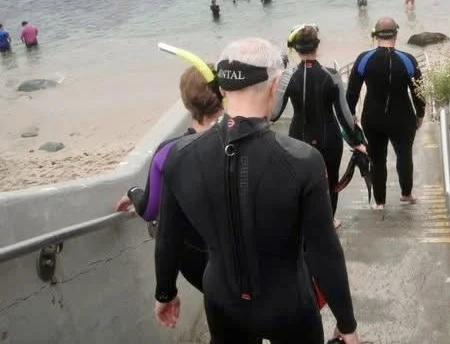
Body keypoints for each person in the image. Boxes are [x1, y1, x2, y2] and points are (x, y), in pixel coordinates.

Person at [153, 37, 360, 344]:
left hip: (222, 302)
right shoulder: (302, 161)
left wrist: (165, 292)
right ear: (276, 85)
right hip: (289, 304)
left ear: (222, 88)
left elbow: (168, 233)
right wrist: (346, 322)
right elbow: (324, 252)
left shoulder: (180, 156)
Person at [115, 64, 223, 290]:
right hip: (243, 258)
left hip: (196, 261)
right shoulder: (246, 140)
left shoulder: (169, 152)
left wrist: (133, 193)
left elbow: (150, 210)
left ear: (186, 102)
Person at [270, 24, 366, 228]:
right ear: (318, 45)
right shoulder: (332, 75)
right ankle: (329, 220)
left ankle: (305, 221)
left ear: (295, 49)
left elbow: (274, 114)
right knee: (330, 181)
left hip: (298, 137)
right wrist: (357, 141)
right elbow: (344, 115)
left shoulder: (288, 78)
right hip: (329, 138)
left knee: (301, 182)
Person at [346, 18, 425, 211]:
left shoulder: (364, 59)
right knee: (404, 155)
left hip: (373, 118)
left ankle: (379, 202)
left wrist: (351, 115)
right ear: (396, 35)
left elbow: (352, 92)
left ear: (375, 35)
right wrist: (420, 114)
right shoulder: (408, 60)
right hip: (403, 117)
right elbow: (419, 92)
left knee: (377, 159)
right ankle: (406, 194)